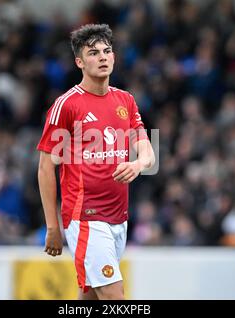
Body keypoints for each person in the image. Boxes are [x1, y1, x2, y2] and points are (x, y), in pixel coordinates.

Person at [37, 24, 155, 300]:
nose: (102, 57)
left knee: (90, 297)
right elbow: (45, 168)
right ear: (79, 62)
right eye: (93, 53)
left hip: (119, 218)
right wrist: (53, 227)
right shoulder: (67, 105)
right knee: (115, 298)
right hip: (86, 219)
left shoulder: (125, 100)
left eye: (107, 51)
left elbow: (148, 152)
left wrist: (137, 165)